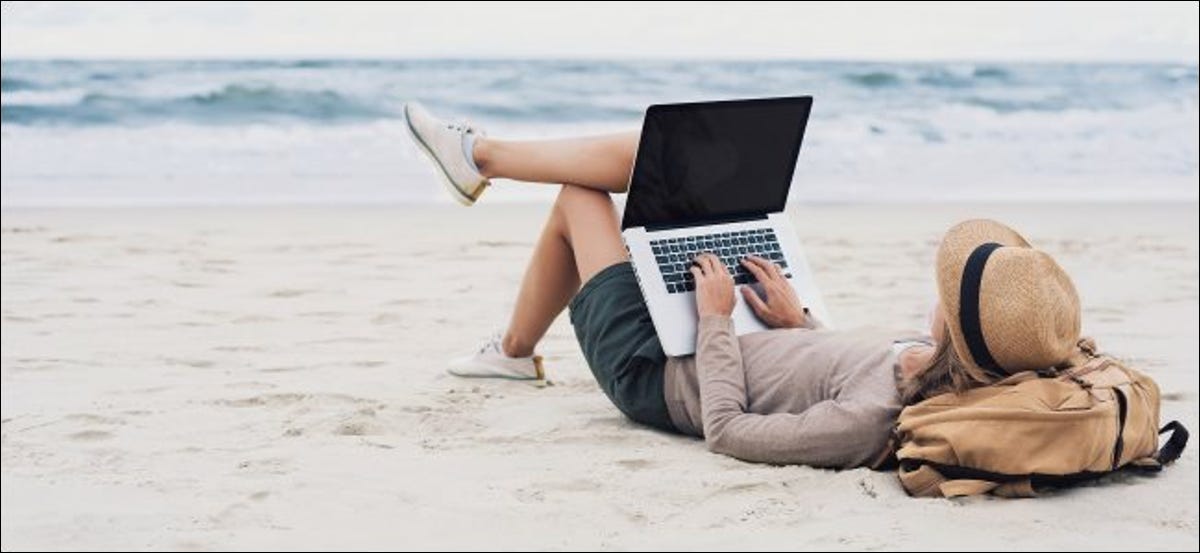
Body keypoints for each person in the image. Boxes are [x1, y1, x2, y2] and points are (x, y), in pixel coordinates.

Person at [402, 102, 1083, 468]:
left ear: (958, 329)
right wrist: (796, 321)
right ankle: (511, 340)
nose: (939, 285)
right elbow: (817, 368)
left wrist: (717, 320)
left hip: (658, 374)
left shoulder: (869, 419)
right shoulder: (916, 355)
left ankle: (484, 173)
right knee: (652, 157)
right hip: (725, 332)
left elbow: (728, 431)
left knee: (581, 197)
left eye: (953, 285)